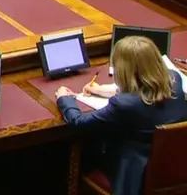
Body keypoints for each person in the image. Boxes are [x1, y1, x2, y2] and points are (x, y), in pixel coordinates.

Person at [55, 36, 187, 195]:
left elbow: (79, 122)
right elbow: (145, 88)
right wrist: (101, 90)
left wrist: (64, 99)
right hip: (174, 164)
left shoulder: (123, 105)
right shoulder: (175, 79)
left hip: (136, 174)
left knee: (84, 145)